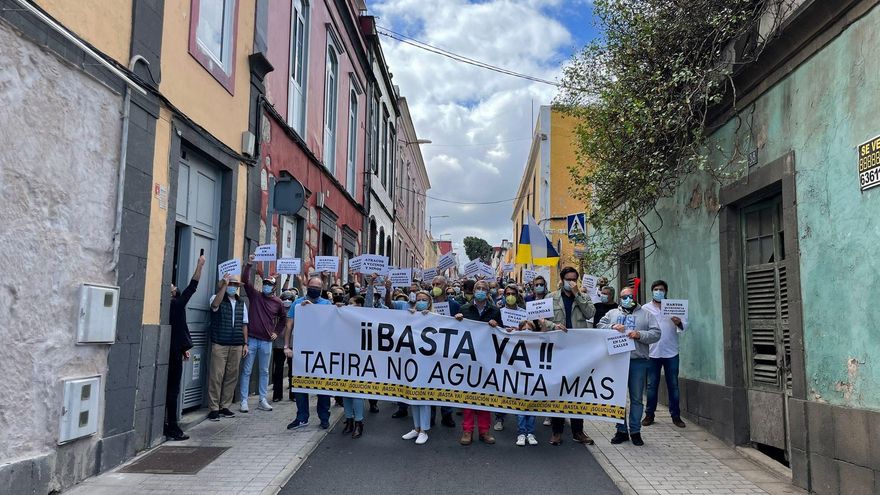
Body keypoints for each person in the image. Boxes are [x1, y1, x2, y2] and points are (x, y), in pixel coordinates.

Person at [598, 287, 662, 446]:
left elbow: (656, 333)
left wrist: (639, 334)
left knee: (636, 398)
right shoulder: (613, 314)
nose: (626, 299)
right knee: (618, 398)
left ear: (634, 297)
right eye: (623, 297)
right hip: (617, 361)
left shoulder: (646, 315)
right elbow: (599, 326)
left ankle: (635, 431)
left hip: (638, 361)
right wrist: (612, 327)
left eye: (629, 296)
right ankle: (621, 430)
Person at [547, 266, 597, 445]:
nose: (571, 282)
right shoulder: (550, 298)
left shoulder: (583, 297)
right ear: (561, 280)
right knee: (558, 390)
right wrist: (554, 327)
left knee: (577, 390)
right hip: (558, 349)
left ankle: (578, 431)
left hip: (577, 350)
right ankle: (557, 431)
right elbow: (539, 319)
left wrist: (578, 294)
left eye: (574, 279)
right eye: (568, 279)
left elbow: (591, 313)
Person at [453, 280, 500, 445]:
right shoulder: (465, 309)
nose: (480, 291)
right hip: (468, 358)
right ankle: (467, 430)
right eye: (478, 288)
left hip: (487, 358)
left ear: (488, 292)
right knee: (468, 395)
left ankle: (484, 430)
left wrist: (497, 325)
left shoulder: (495, 311)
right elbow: (456, 332)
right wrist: (456, 319)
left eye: (484, 289)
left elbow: (502, 334)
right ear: (473, 291)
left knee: (485, 395)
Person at [165, 254, 205, 440]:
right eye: (172, 285)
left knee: (170, 390)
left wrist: (184, 347)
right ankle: (172, 427)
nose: (173, 286)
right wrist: (200, 265)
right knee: (173, 391)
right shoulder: (176, 305)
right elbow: (193, 285)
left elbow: (179, 329)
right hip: (172, 353)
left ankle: (169, 424)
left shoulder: (173, 306)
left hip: (173, 349)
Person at [284, 276, 333, 430]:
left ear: (322, 288)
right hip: (301, 351)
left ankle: (324, 417)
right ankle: (302, 417)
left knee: (322, 386)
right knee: (300, 385)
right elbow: (289, 325)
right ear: (307, 286)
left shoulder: (326, 304)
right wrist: (287, 346)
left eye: (318, 287)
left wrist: (312, 310)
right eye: (313, 286)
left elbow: (329, 325)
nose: (315, 289)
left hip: (321, 352)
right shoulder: (297, 303)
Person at [239, 256, 287, 413]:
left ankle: (262, 399)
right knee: (247, 370)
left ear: (274, 287)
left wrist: (276, 332)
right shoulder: (255, 295)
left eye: (269, 284)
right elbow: (245, 280)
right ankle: (244, 401)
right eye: (265, 283)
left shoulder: (278, 302)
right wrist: (249, 264)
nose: (266, 286)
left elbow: (283, 319)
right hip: (252, 339)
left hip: (266, 341)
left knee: (264, 371)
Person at [642, 280, 687, 428]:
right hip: (652, 352)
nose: (658, 292)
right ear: (652, 291)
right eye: (656, 289)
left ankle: (676, 416)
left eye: (661, 289)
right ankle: (649, 415)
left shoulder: (675, 306)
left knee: (673, 385)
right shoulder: (645, 308)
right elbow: (641, 327)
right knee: (651, 385)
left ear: (666, 291)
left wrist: (678, 322)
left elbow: (685, 326)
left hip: (671, 352)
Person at [207, 274, 249, 422]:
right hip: (220, 343)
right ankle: (213, 408)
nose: (233, 287)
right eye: (231, 284)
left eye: (235, 285)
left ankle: (225, 406)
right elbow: (215, 306)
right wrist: (223, 286)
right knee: (216, 376)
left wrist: (245, 344)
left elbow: (244, 324)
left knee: (232, 376)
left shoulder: (241, 303)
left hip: (236, 344)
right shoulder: (216, 297)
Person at [400, 291, 437, 445]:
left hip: (428, 362)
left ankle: (424, 431)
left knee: (424, 396)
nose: (421, 302)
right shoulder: (411, 315)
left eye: (424, 300)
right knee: (412, 395)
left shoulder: (435, 317)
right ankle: (416, 428)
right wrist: (410, 317)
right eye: (419, 300)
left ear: (429, 303)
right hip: (412, 361)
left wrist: (429, 318)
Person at [494, 284, 527, 435]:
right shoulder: (498, 312)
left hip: (520, 354)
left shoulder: (524, 313)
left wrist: (519, 330)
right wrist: (500, 328)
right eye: (507, 293)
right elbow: (493, 329)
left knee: (519, 385)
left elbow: (530, 330)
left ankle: (524, 421)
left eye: (513, 293)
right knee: (502, 386)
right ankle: (500, 417)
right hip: (502, 353)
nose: (510, 296)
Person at [272, 290, 296, 402]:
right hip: (278, 343)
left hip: (293, 343)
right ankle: (277, 395)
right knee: (278, 370)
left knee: (293, 370)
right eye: (285, 298)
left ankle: (293, 394)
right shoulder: (277, 309)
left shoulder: (296, 310)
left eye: (289, 299)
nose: (287, 301)